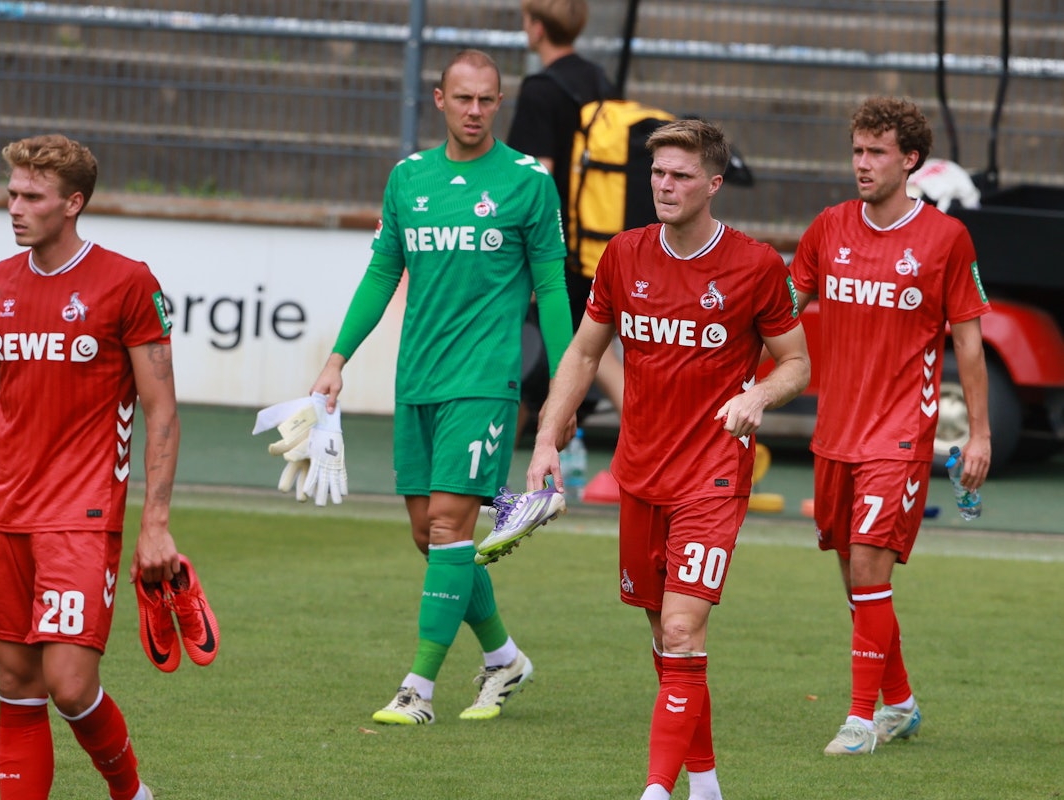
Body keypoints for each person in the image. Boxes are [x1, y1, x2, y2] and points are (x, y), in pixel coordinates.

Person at [527, 119, 811, 800]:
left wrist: (758, 396)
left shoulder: (754, 266)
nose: (664, 185)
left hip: (713, 474)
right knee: (666, 638)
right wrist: (546, 435)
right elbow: (585, 352)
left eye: (680, 175)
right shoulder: (623, 256)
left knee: (683, 626)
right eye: (657, 173)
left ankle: (656, 791)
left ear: (713, 183)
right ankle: (706, 785)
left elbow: (795, 363)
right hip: (641, 472)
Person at [309, 49, 575, 725]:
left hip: (485, 379)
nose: (475, 111)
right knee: (432, 538)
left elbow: (550, 286)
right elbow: (380, 273)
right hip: (417, 379)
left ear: (499, 101)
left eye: (487, 99)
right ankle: (504, 659)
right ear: (438, 99)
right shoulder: (408, 179)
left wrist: (562, 388)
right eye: (463, 99)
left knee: (451, 524)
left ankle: (417, 689)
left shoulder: (527, 182)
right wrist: (338, 357)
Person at [788, 96, 992, 755]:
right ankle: (899, 702)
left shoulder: (944, 239)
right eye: (856, 151)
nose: (862, 164)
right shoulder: (828, 228)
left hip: (901, 433)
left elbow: (967, 343)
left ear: (909, 160)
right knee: (854, 577)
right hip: (835, 431)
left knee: (871, 568)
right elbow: (779, 312)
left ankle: (857, 718)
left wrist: (979, 436)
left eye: (875, 153)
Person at [0, 134, 180, 800]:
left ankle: (131, 794)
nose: (15, 206)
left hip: (80, 516)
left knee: (69, 685)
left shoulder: (126, 282)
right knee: (15, 687)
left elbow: (161, 410)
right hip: (4, 514)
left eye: (32, 197)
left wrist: (154, 523)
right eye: (13, 192)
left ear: (72, 203)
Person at [507, 0, 626, 437]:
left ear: (537, 29)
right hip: (598, 237)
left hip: (556, 247)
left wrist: (525, 255)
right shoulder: (597, 77)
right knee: (585, 351)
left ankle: (653, 440)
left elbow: (536, 178)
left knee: (586, 355)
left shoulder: (542, 89)